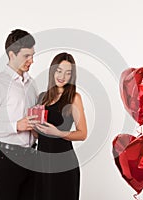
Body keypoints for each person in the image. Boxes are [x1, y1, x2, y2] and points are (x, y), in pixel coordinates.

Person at [0, 29, 38, 200]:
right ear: (12, 54)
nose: (31, 61)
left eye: (33, 55)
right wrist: (16, 125)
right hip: (8, 160)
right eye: (27, 56)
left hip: (32, 158)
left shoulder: (32, 84)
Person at [34, 52, 87, 200]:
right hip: (42, 163)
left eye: (68, 73)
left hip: (64, 163)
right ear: (52, 71)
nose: (62, 76)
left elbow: (82, 133)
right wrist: (33, 126)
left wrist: (58, 133)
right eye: (59, 71)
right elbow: (38, 135)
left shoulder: (74, 98)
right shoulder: (42, 97)